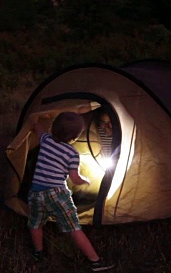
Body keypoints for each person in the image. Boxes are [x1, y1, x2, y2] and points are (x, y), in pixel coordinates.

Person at [28, 112, 115, 272]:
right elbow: (74, 178)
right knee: (74, 227)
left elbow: (38, 129)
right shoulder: (72, 154)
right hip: (57, 194)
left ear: (53, 128)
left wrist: (35, 122)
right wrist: (85, 180)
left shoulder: (45, 140)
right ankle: (95, 261)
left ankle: (38, 253)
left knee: (35, 224)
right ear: (75, 138)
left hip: (36, 193)